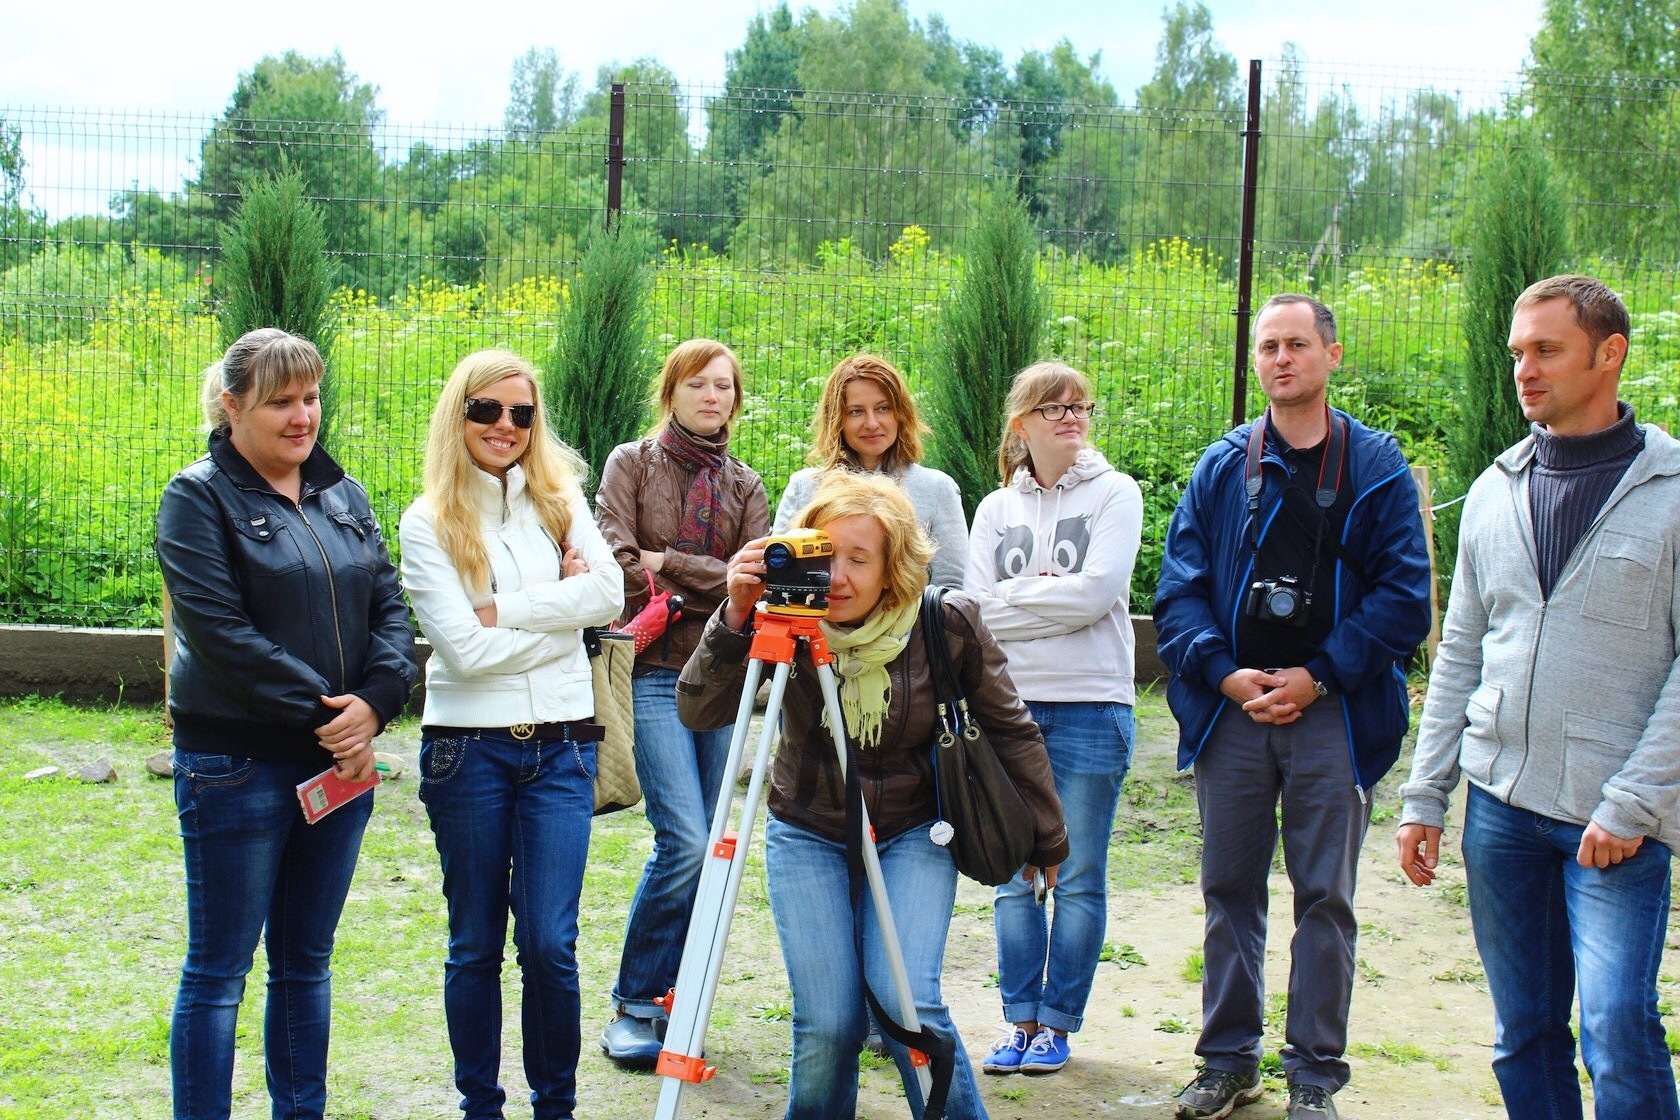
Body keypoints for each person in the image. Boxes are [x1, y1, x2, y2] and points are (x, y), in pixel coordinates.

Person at [681, 471, 1068, 1120]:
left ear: (893, 567)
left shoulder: (944, 622)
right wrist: (736, 613)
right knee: (829, 1024)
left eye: (858, 559)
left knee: (906, 1004)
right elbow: (700, 710)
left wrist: (1048, 837)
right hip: (808, 830)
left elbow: (1011, 729)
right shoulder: (787, 620)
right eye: (824, 554)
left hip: (913, 831)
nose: (837, 575)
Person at [1397, 275, 1680, 1120]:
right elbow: (1459, 654)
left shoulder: (1672, 494)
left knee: (1618, 1030)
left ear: (1610, 354)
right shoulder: (1494, 489)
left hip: (1614, 825)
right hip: (1500, 810)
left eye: (1546, 350)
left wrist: (1636, 802)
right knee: (1522, 1033)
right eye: (1517, 352)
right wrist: (1425, 795)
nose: (1524, 369)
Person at [1154, 295, 1431, 1120]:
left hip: (1331, 712)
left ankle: (1315, 1072)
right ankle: (1227, 1062)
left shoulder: (1375, 466)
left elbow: (1404, 600)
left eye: (1298, 344)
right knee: (1228, 887)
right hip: (1233, 711)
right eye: (1268, 346)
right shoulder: (1221, 467)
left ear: (1332, 355)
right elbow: (1178, 591)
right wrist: (1222, 672)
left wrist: (1318, 675)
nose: (1281, 358)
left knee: (1326, 897)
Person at [156, 328, 417, 1120]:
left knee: (306, 962)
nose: (303, 416)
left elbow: (391, 609)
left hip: (340, 766)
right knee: (220, 971)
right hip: (238, 766)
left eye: (310, 397)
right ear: (232, 407)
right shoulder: (195, 496)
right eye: (281, 401)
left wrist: (376, 700)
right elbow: (219, 632)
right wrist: (331, 717)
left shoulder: (346, 494)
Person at [399, 349, 623, 1120]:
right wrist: (563, 614)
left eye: (521, 414)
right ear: (457, 415)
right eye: (487, 411)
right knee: (475, 944)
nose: (505, 426)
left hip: (562, 747)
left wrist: (510, 609)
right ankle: (480, 1107)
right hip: (469, 751)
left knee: (551, 947)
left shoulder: (561, 501)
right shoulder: (427, 521)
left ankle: (554, 1106)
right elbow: (463, 651)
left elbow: (611, 592)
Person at [593, 337, 770, 1066]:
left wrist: (675, 565)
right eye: (697, 384)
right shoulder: (630, 464)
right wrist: (708, 577)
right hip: (657, 671)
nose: (712, 397)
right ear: (670, 392)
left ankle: (675, 997)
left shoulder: (748, 485)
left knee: (715, 852)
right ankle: (635, 1002)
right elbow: (622, 567)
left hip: (726, 680)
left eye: (724, 387)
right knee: (687, 842)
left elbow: (756, 584)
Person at [964, 361, 1142, 1076]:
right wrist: (1044, 597)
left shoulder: (1116, 494)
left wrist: (1016, 602)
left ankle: (1059, 1025)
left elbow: (1097, 594)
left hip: (1094, 703)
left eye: (1081, 406)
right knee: (1013, 873)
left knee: (1078, 873)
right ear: (1022, 424)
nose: (1072, 417)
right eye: (1054, 408)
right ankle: (1019, 1020)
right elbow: (973, 612)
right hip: (1009, 709)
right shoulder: (994, 510)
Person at [772, 354, 966, 587]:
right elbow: (780, 575)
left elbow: (952, 588)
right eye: (856, 411)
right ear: (837, 419)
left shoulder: (936, 489)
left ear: (901, 414)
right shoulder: (805, 487)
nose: (872, 423)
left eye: (883, 408)